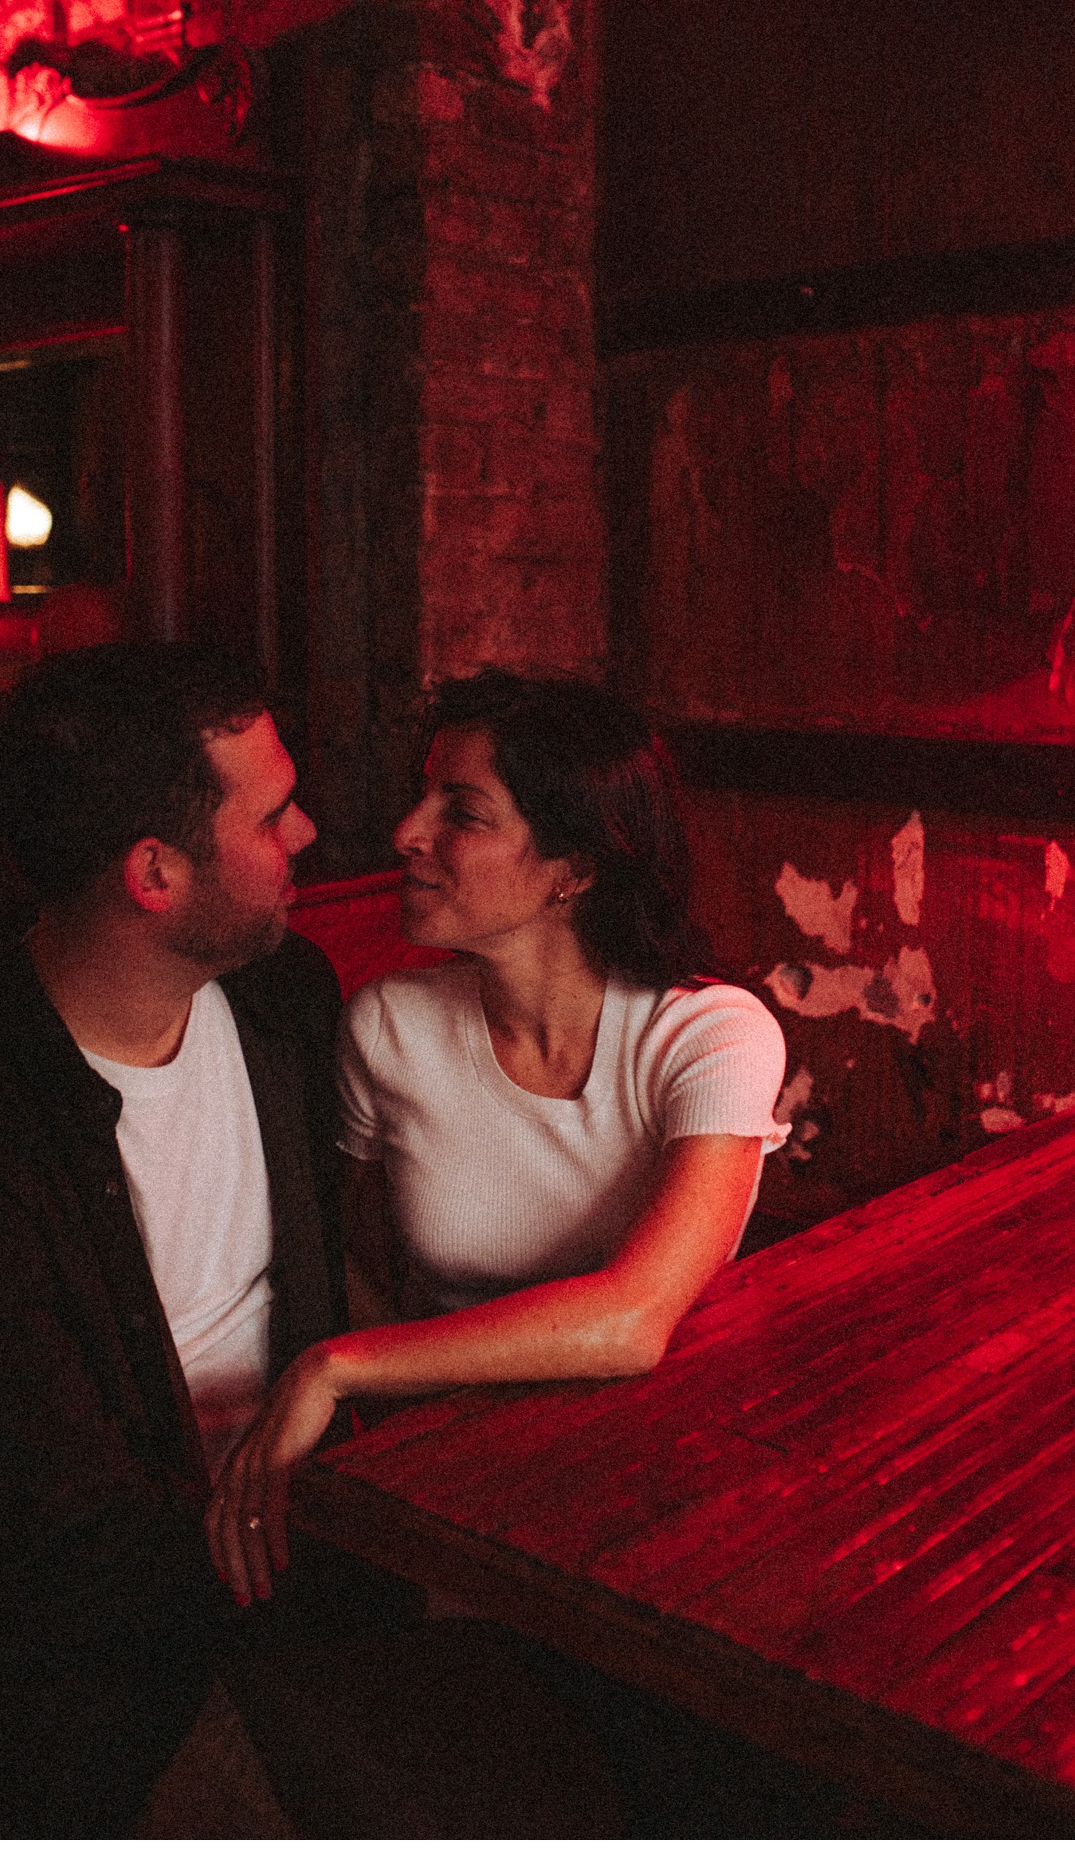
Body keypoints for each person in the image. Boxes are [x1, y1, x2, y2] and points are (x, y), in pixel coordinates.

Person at [0, 645, 620, 1839]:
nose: (311, 832)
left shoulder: (279, 996)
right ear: (155, 871)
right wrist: (409, 1568)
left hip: (306, 1570)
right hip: (91, 1676)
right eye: (273, 813)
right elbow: (68, 1552)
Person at [212, 668, 790, 1608]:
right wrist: (406, 1450)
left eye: (463, 812)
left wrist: (334, 1367)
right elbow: (359, 1263)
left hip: (669, 1469)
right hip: (451, 1473)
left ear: (576, 867)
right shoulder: (388, 1025)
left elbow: (634, 1316)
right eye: (423, 797)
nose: (408, 832)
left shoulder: (709, 1034)